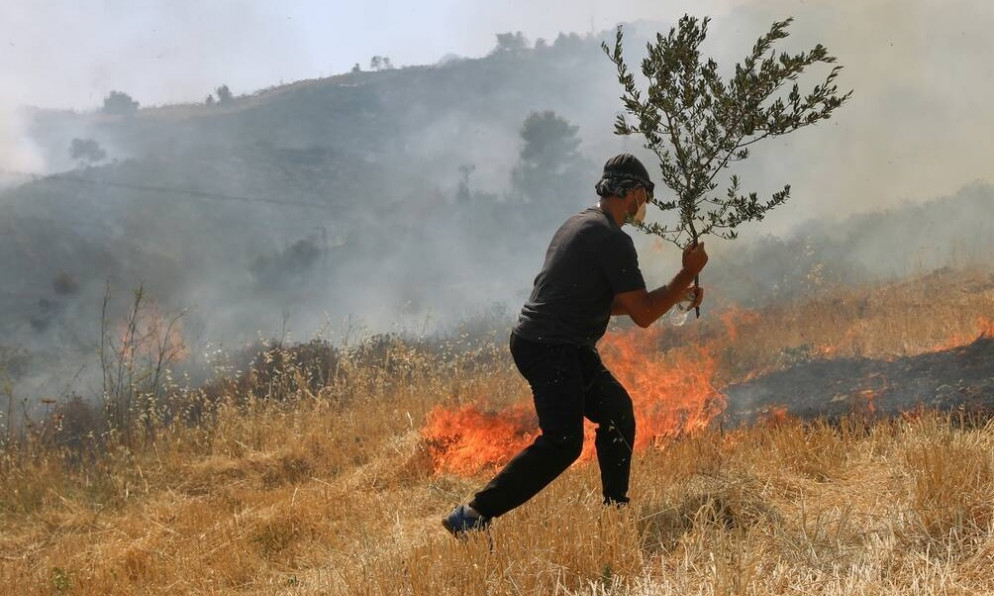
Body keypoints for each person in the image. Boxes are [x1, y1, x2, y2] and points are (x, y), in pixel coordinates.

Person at [442, 153, 709, 537]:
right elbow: (644, 315)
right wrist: (688, 272)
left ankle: (615, 512)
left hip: (558, 342)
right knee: (563, 443)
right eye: (644, 196)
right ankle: (472, 516)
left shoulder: (580, 223)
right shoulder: (611, 239)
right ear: (632, 193)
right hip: (550, 346)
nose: (644, 206)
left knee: (617, 411)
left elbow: (612, 304)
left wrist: (679, 295)